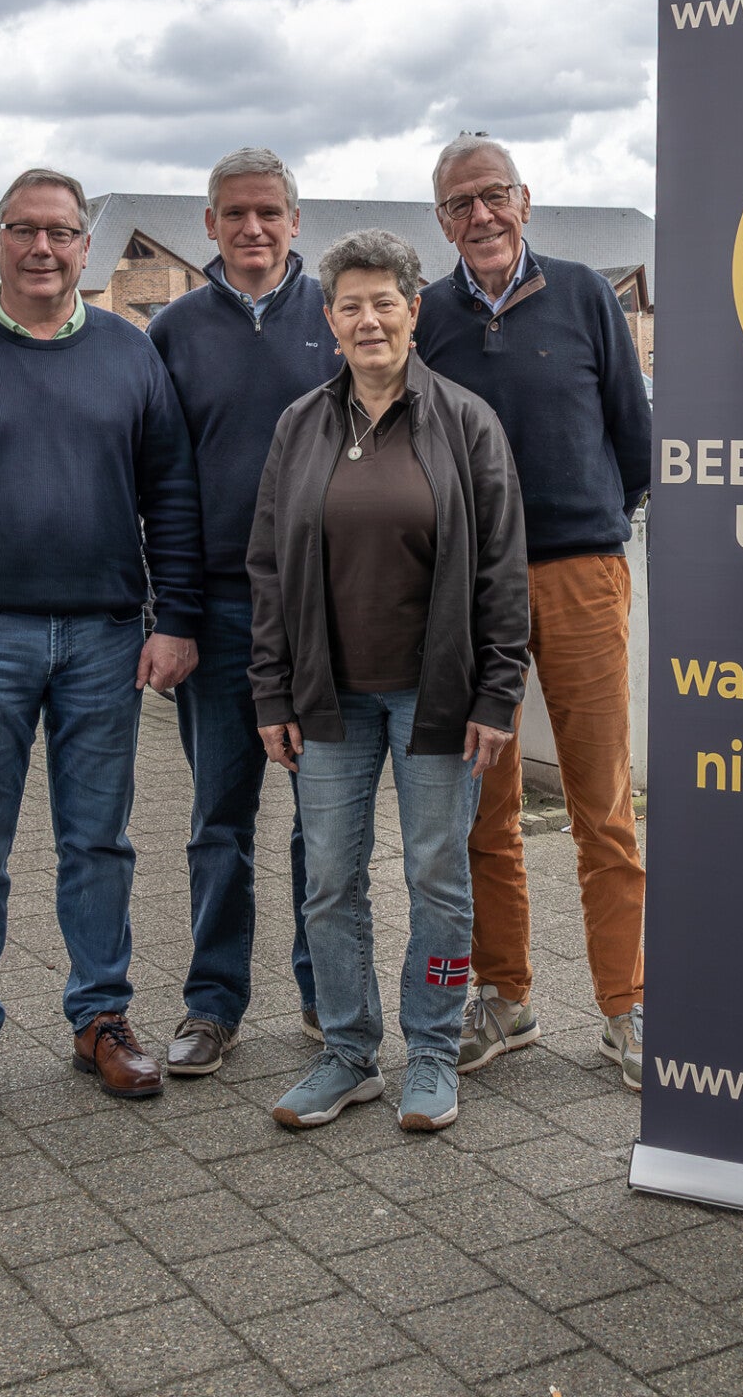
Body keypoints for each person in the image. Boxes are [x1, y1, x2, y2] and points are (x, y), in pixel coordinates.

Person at [0, 167, 202, 1126]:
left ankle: (100, 1017)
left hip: (105, 637)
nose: (42, 248)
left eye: (61, 232)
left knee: (98, 841)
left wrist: (175, 617)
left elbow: (172, 494)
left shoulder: (129, 351)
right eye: (23, 229)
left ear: (83, 246)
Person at [249, 229, 527, 1132]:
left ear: (414, 309)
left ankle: (435, 1050)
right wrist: (271, 691)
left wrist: (497, 693)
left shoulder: (467, 422)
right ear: (330, 321)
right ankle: (348, 1051)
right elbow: (268, 569)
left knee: (438, 879)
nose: (368, 320)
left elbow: (502, 569)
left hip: (437, 699)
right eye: (350, 305)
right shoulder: (300, 426)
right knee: (330, 880)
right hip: (328, 700)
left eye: (384, 302)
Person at [415, 136, 653, 1092]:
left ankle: (628, 1008)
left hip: (580, 573)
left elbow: (634, 439)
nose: (480, 215)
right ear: (441, 221)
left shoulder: (587, 293)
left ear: (525, 200)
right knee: (486, 807)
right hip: (472, 590)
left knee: (603, 804)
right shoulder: (427, 315)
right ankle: (505, 998)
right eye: (459, 203)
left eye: (493, 195)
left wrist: (589, 521)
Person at [147, 148, 339, 1076]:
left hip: (327, 617)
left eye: (269, 212)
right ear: (210, 225)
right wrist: (173, 617)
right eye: (235, 214)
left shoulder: (339, 315)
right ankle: (213, 1002)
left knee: (324, 819)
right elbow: (161, 486)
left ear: (296, 221)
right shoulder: (172, 332)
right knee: (219, 820)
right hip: (220, 616)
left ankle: (326, 992)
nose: (253, 228)